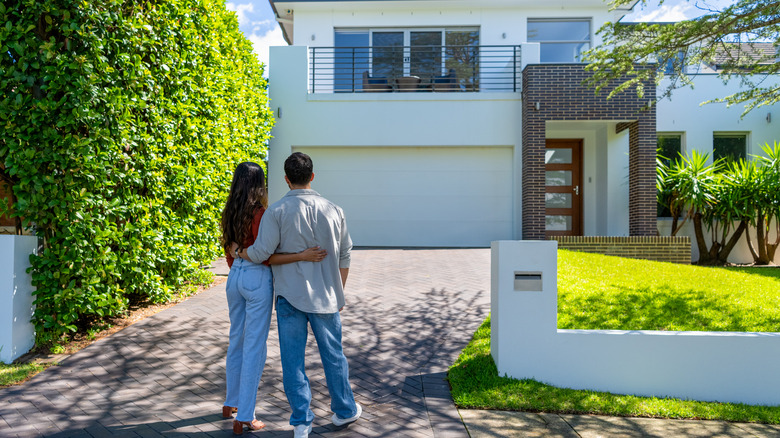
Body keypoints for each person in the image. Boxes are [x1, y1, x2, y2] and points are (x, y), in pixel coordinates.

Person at [234, 152, 361, 438]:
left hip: (289, 298)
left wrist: (238, 252)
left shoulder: (276, 212)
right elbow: (345, 254)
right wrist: (338, 291)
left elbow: (260, 254)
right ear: (312, 176)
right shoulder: (334, 209)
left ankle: (301, 421)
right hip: (326, 298)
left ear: (286, 179)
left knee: (292, 362)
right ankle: (344, 411)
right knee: (334, 357)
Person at [220, 161, 326, 435]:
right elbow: (264, 255)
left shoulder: (229, 210)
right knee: (255, 346)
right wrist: (299, 255)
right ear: (260, 184)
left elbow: (229, 249)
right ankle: (245, 416)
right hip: (256, 278)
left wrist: (238, 261)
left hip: (234, 278)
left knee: (236, 340)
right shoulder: (261, 213)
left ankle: (230, 402)